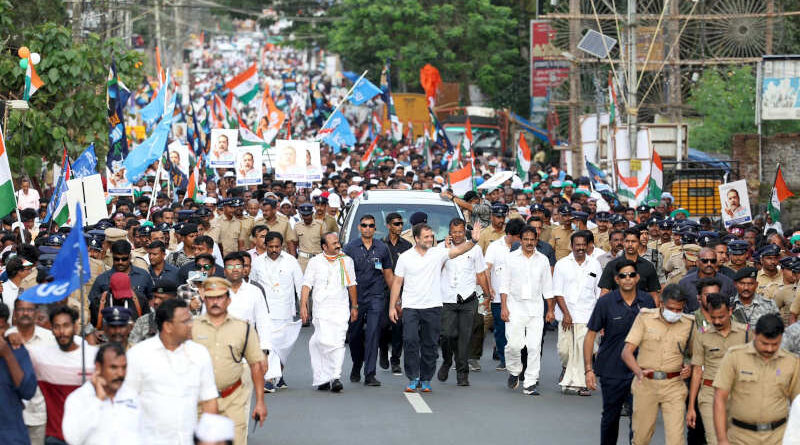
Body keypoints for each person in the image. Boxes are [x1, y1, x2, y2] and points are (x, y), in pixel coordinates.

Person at [389, 221, 482, 393]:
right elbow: (397, 282)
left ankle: (425, 378)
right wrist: (392, 306)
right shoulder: (405, 257)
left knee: (430, 345)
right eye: (426, 237)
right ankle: (413, 377)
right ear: (416, 238)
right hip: (411, 307)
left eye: (431, 236)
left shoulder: (438, 253)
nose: (430, 239)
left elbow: (458, 250)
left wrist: (474, 241)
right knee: (410, 341)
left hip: (432, 307)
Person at [125, 299, 218, 445]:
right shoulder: (139, 355)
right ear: (168, 326)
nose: (191, 325)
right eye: (185, 321)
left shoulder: (199, 354)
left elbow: (209, 400)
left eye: (191, 320)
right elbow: (125, 402)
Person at [584, 259, 657, 445]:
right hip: (612, 369)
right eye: (623, 276)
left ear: (637, 277)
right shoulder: (605, 302)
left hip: (640, 369)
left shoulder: (647, 301)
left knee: (639, 418)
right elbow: (591, 334)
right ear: (616, 279)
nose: (628, 279)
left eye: (631, 275)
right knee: (611, 417)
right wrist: (588, 369)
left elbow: (656, 334)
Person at [193, 277, 267, 445]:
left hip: (232, 399)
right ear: (204, 299)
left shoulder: (243, 328)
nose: (215, 302)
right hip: (200, 400)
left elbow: (256, 364)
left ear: (228, 300)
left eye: (219, 297)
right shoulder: (192, 328)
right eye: (211, 298)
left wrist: (260, 402)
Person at [621, 284, 694, 445]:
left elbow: (696, 355)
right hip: (646, 383)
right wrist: (638, 372)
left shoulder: (690, 323)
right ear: (661, 303)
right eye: (671, 308)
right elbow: (627, 352)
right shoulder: (645, 318)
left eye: (679, 310)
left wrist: (689, 366)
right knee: (641, 437)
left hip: (674, 385)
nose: (675, 313)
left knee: (676, 439)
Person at [713, 314, 800, 445]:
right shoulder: (734, 357)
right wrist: (722, 439)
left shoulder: (792, 362)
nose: (769, 349)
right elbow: (720, 398)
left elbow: (797, 403)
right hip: (740, 437)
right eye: (764, 343)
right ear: (755, 334)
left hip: (778, 437)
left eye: (775, 344)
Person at [27, 306, 98, 445]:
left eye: (66, 326)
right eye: (57, 327)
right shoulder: (40, 356)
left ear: (75, 327)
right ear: (51, 330)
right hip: (55, 437)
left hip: (87, 436)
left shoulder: (94, 357)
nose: (62, 332)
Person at [686, 293, 749, 445]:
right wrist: (691, 407)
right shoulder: (702, 335)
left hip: (739, 395)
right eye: (713, 317)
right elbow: (697, 371)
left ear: (730, 311)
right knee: (715, 440)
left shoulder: (746, 333)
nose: (717, 321)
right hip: (710, 394)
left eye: (721, 317)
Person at [499, 226, 554, 396]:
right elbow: (504, 285)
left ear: (537, 240)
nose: (529, 243)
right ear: (520, 241)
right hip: (515, 308)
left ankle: (530, 383)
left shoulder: (543, 260)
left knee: (534, 346)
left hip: (536, 309)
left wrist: (550, 309)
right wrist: (503, 307)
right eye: (526, 239)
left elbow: (548, 287)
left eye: (533, 239)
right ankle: (514, 371)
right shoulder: (510, 259)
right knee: (514, 345)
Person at [300, 232, 358, 392]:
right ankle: (322, 377)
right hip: (321, 310)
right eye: (334, 243)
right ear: (325, 247)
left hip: (340, 308)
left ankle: (335, 377)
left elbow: (351, 284)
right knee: (322, 341)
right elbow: (306, 285)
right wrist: (303, 306)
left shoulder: (346, 261)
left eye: (338, 242)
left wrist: (355, 306)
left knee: (338, 342)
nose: (338, 245)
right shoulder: (315, 262)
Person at [436, 218, 489, 387]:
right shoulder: (440, 248)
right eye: (454, 231)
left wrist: (487, 294)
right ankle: (446, 360)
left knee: (464, 339)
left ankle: (462, 373)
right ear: (449, 232)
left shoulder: (475, 249)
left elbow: (481, 273)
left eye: (460, 231)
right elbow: (435, 270)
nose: (457, 235)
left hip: (468, 299)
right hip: (447, 299)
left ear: (464, 231)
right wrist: (444, 251)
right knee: (446, 335)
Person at [343, 214, 394, 386]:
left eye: (371, 226)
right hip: (356, 297)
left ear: (375, 228)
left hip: (376, 296)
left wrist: (397, 299)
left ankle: (370, 373)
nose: (367, 228)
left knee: (373, 333)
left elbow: (388, 274)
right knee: (355, 335)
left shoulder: (381, 248)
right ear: (359, 227)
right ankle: (357, 364)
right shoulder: (350, 248)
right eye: (364, 225)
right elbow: (344, 276)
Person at [249, 232, 303, 390]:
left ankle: (278, 376)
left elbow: (300, 285)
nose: (274, 250)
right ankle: (269, 379)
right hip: (264, 311)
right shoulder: (257, 263)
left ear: (282, 246)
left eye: (277, 247)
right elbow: (253, 286)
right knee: (269, 344)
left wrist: (304, 307)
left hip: (286, 310)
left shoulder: (291, 261)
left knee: (284, 346)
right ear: (265, 246)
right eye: (270, 246)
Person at [553, 230, 602, 396]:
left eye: (583, 245)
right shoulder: (562, 264)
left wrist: (599, 318)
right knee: (564, 351)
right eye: (577, 245)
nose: (580, 248)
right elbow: (557, 292)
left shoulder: (594, 264)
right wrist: (566, 314)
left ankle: (583, 384)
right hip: (566, 314)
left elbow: (599, 292)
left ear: (588, 246)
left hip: (587, 315)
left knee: (583, 350)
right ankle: (566, 368)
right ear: (571, 246)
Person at [62, 343, 141, 445]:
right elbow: (73, 439)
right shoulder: (78, 398)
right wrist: (98, 400)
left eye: (124, 367)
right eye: (113, 367)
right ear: (98, 367)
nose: (120, 373)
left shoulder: (133, 395)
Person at [6, 299, 53, 444]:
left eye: (30, 309)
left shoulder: (49, 339)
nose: (25, 313)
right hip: (9, 416)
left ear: (36, 313)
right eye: (21, 309)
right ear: (14, 313)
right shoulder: (5, 337)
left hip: (39, 414)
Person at [485, 218, 525, 371]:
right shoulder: (495, 247)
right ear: (510, 234)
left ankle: (517, 357)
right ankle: (503, 358)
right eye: (518, 237)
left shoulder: (522, 248)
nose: (520, 240)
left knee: (517, 329)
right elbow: (487, 269)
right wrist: (489, 289)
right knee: (501, 329)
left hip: (517, 297)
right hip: (498, 298)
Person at [0, 302, 38, 445]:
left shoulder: (16, 350)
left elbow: (28, 391)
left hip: (11, 436)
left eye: (0, 328)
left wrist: (8, 355)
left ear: (6, 327)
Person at [379, 212, 411, 376]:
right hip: (382, 292)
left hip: (400, 292)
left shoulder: (406, 246)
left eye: (401, 224)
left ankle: (396, 360)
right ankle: (383, 350)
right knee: (383, 325)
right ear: (388, 225)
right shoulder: (380, 245)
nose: (399, 227)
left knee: (398, 327)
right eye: (396, 224)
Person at [598, 228, 661, 304]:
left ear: (639, 243)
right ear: (624, 243)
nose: (630, 245)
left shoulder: (648, 266)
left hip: (641, 311)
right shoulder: (612, 265)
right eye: (627, 241)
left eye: (633, 241)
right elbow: (604, 292)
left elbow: (654, 294)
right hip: (618, 310)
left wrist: (654, 314)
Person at [678, 247, 737, 313]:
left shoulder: (727, 283)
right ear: (697, 262)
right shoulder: (685, 283)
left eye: (713, 261)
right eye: (705, 261)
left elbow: (732, 306)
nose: (709, 264)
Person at [129, 278, 177, 345]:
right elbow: (132, 346)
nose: (156, 302)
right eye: (155, 297)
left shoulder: (186, 320)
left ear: (174, 299)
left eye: (161, 298)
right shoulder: (143, 321)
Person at [294, 203, 324, 273]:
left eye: (308, 215)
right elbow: (294, 243)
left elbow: (325, 242)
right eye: (303, 215)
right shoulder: (297, 226)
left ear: (312, 214)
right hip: (303, 261)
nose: (306, 217)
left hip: (318, 259)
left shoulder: (320, 225)